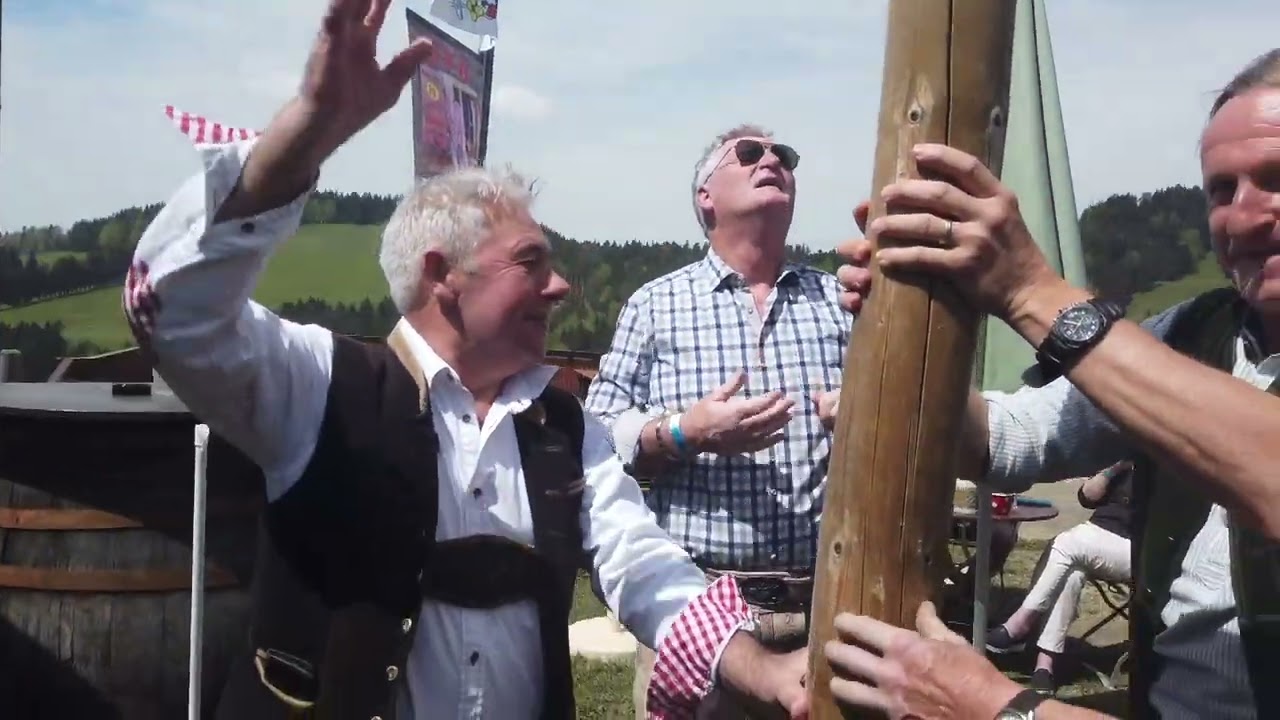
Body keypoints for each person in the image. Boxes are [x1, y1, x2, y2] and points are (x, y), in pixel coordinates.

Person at [120, 2, 809, 719]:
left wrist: (763, 670)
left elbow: (642, 564)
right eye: (530, 262)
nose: (561, 286)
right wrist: (306, 131)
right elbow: (170, 310)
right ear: (442, 273)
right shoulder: (323, 385)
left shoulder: (566, 428)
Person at [820, 48, 1280, 720]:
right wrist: (902, 340)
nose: (1243, 217)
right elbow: (1010, 438)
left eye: (1275, 179)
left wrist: (1028, 290)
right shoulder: (1194, 332)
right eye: (1221, 190)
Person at [583, 123, 849, 717]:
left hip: (825, 608)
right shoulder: (656, 305)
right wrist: (685, 432)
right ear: (705, 196)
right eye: (749, 153)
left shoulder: (837, 301)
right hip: (698, 608)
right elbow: (597, 435)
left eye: (784, 156)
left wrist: (857, 423)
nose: (772, 160)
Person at [986, 460, 1135, 694]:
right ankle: (1044, 666)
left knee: (1065, 544)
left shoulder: (1165, 467)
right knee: (1071, 571)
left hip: (1137, 549)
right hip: (1098, 538)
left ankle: (1020, 624)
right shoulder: (1128, 460)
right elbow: (1087, 497)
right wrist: (1115, 468)